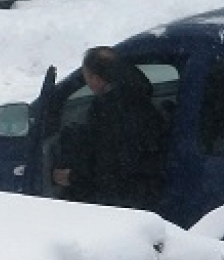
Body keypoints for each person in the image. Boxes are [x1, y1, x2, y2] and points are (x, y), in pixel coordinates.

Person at [52, 46, 169, 212]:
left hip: (122, 202)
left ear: (97, 79)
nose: (87, 82)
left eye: (87, 76)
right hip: (148, 190)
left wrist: (72, 177)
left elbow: (108, 168)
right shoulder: (141, 99)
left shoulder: (108, 111)